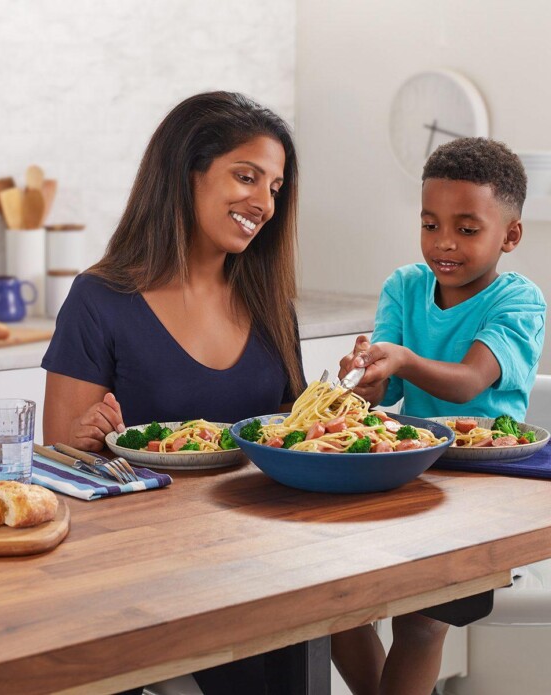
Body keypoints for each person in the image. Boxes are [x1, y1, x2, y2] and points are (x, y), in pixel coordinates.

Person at [41, 91, 306, 695]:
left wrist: (344, 404)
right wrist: (85, 443)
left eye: (275, 186)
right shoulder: (100, 299)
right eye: (246, 176)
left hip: (267, 562)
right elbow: (56, 462)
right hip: (144, 582)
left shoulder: (269, 302)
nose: (263, 202)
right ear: (186, 173)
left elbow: (294, 433)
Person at [331, 137, 546, 695]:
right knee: (336, 608)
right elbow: (383, 394)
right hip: (408, 475)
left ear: (511, 235)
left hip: (484, 486)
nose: (444, 243)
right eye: (430, 225)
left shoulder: (519, 302)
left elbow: (471, 380)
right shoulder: (404, 286)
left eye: (467, 229)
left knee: (422, 623)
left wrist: (400, 357)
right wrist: (365, 375)